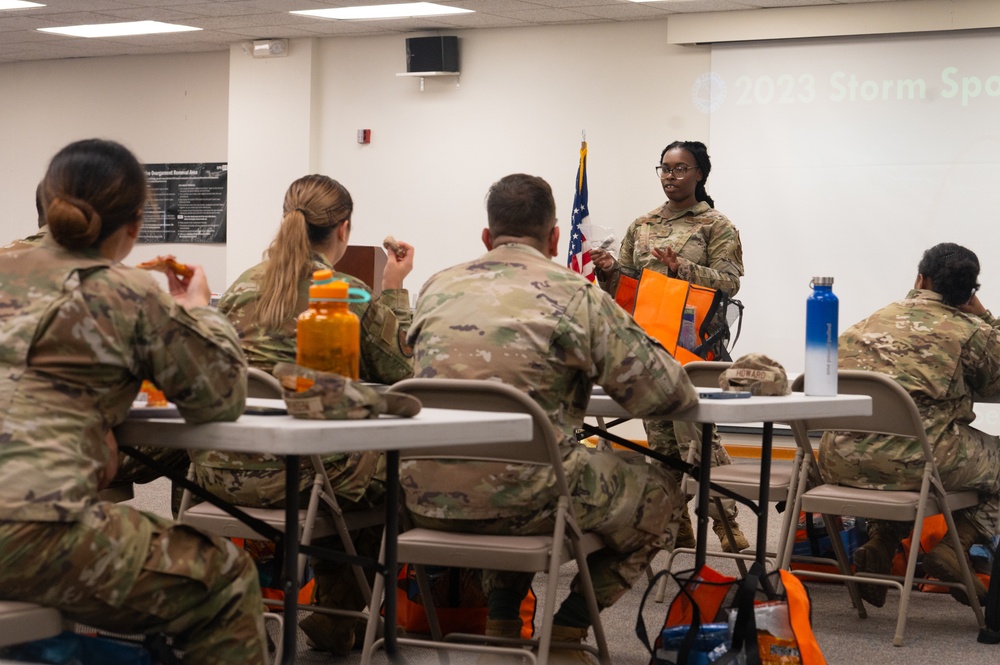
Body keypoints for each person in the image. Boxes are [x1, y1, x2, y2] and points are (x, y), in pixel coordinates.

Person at [405, 173, 698, 664]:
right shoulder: (573, 293)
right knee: (662, 494)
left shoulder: (436, 287)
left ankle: (503, 622)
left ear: (485, 237)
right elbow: (666, 394)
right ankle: (566, 632)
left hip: (422, 496)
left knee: (520, 470)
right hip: (529, 500)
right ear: (556, 238)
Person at [0, 139, 266, 664]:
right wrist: (199, 312)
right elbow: (220, 399)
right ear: (136, 224)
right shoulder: (126, 292)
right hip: (27, 530)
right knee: (225, 579)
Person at [192, 173, 414, 655]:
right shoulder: (349, 294)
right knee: (396, 474)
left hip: (216, 473)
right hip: (300, 478)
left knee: (341, 468)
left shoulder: (238, 288)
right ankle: (340, 615)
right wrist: (394, 290)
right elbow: (404, 373)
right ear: (344, 229)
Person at [590, 140, 747, 553]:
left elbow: (729, 283)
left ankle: (726, 523)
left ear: (699, 174)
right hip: (647, 344)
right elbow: (626, 285)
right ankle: (675, 525)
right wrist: (609, 271)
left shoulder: (716, 224)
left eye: (680, 169)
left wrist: (684, 269)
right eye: (664, 168)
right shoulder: (641, 225)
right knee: (660, 442)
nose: (670, 176)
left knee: (695, 438)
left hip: (694, 347)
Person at [823, 242, 1000, 608]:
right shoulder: (970, 331)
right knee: (930, 458)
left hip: (838, 459)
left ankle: (881, 545)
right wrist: (985, 317)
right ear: (968, 292)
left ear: (920, 278)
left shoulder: (869, 320)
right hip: (917, 464)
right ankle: (955, 546)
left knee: (903, 455)